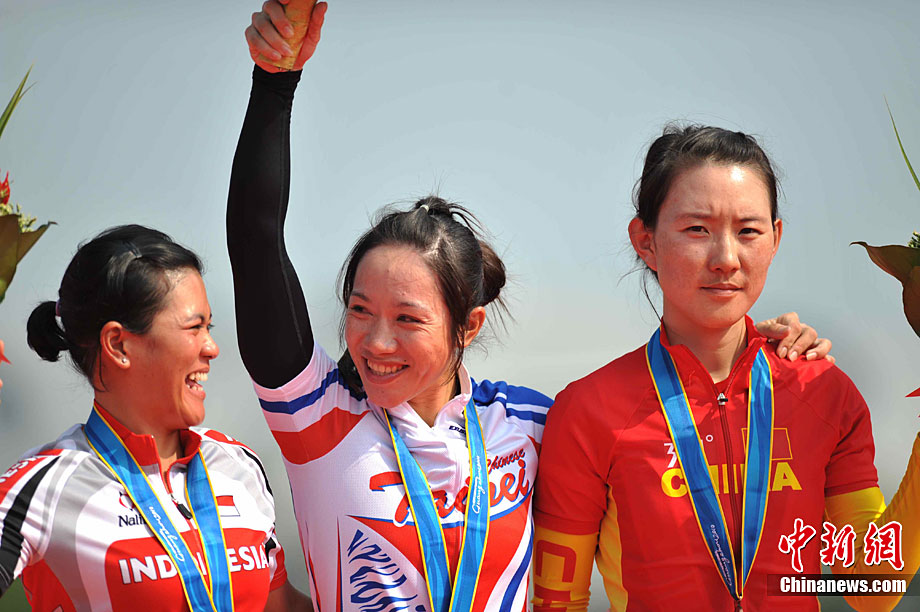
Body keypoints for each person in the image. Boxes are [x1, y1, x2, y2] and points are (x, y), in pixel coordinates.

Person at [234, 4, 833, 610]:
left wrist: (763, 350)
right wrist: (275, 82)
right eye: (360, 311)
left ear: (469, 325)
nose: (376, 340)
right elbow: (257, 240)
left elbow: (664, 440)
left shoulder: (529, 422)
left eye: (407, 318)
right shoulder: (318, 416)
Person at [532, 126, 920, 611]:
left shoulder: (822, 391)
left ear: (775, 239)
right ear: (646, 241)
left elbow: (871, 591)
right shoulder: (589, 409)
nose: (726, 259)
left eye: (748, 231)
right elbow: (557, 600)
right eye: (697, 229)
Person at [0, 225, 311, 610]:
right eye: (194, 328)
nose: (212, 348)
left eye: (209, 327)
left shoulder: (238, 464)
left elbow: (281, 606)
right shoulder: (43, 486)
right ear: (118, 345)